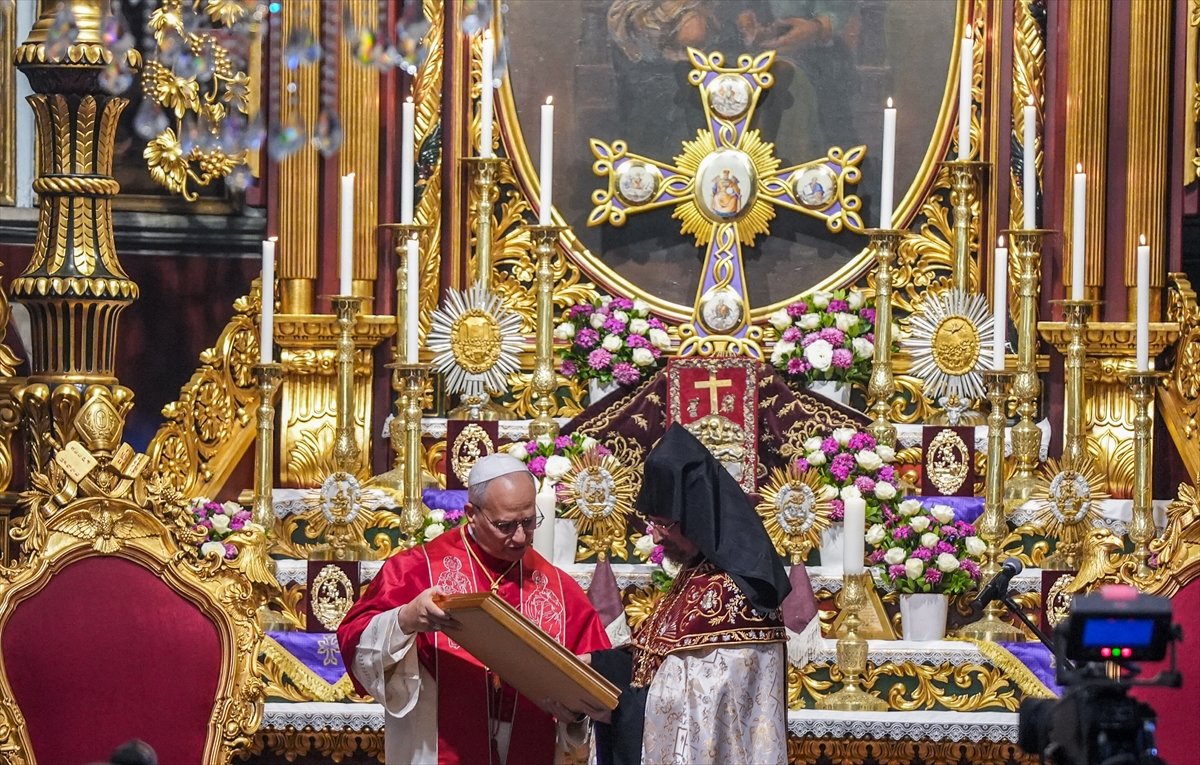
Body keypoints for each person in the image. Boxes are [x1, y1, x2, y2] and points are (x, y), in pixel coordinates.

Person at [337, 453, 612, 765]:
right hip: (438, 748)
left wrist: (574, 712)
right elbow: (353, 639)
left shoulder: (560, 589)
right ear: (472, 513)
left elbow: (597, 685)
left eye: (529, 521)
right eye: (505, 525)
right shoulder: (416, 570)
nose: (520, 537)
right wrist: (406, 619)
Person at [588, 423, 792, 765]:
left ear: (696, 516)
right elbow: (655, 660)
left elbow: (701, 713)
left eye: (663, 524)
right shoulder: (696, 571)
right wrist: (594, 666)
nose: (655, 537)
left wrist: (620, 707)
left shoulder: (738, 595)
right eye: (651, 523)